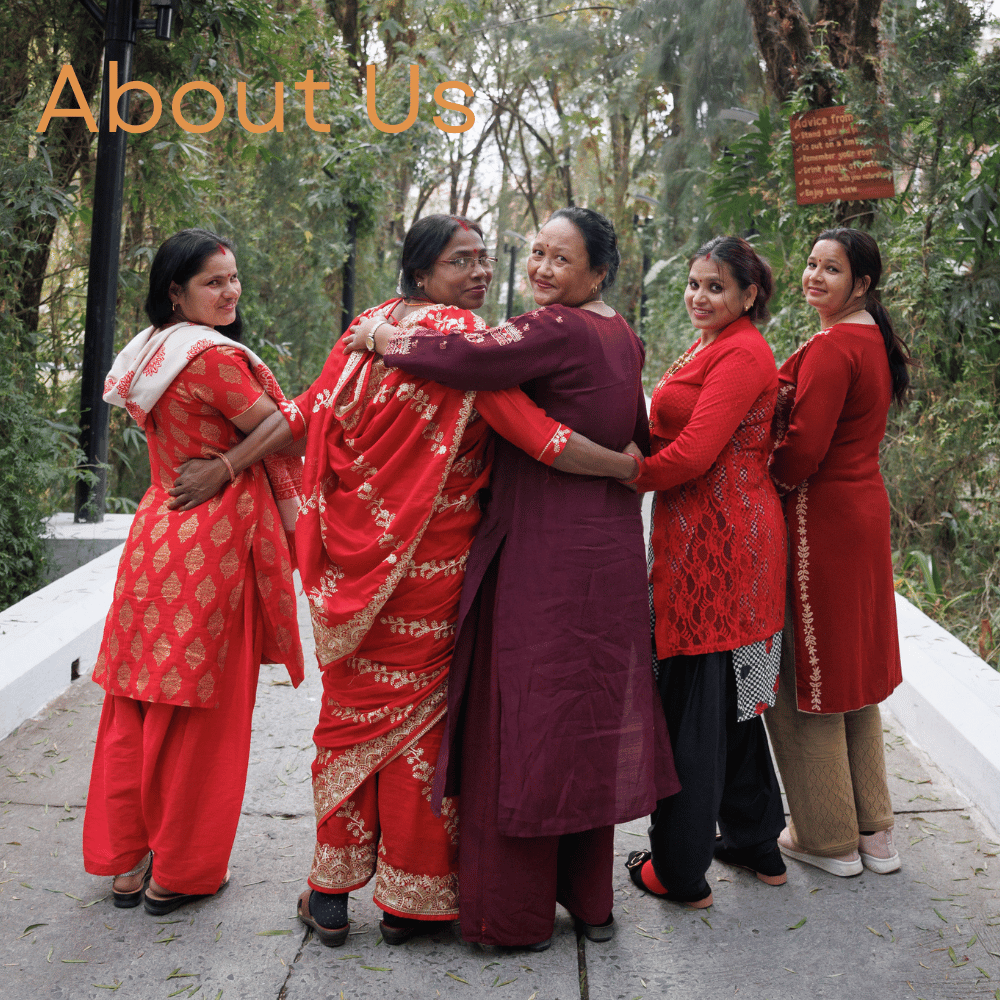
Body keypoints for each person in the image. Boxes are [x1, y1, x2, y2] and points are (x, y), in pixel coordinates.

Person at [168, 213, 642, 947]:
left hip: (343, 570)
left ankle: (329, 889)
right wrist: (627, 467)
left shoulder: (368, 328)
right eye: (462, 261)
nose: (481, 273)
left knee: (349, 724)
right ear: (423, 273)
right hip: (432, 573)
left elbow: (300, 414)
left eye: (485, 259)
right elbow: (538, 437)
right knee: (421, 728)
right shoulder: (461, 350)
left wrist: (229, 465)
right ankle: (409, 900)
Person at [350, 207, 678, 950]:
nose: (541, 270)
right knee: (589, 723)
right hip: (609, 552)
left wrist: (377, 334)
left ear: (598, 272)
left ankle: (515, 913)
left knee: (523, 723)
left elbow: (459, 358)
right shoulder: (623, 334)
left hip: (543, 553)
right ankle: (591, 902)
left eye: (561, 259)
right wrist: (622, 466)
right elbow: (639, 434)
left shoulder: (550, 330)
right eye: (535, 253)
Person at [82, 228, 305, 916]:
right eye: (213, 281)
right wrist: (230, 466)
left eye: (233, 278)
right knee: (204, 716)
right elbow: (284, 425)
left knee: (137, 702)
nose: (230, 291)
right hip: (214, 538)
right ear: (174, 293)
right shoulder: (210, 358)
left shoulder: (148, 351)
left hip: (156, 534)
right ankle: (179, 871)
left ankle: (129, 865)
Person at [619, 236, 788, 907]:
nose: (699, 296)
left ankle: (680, 871)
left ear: (750, 295)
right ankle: (755, 842)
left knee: (696, 703)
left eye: (715, 287)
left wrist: (620, 475)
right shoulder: (714, 344)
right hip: (721, 537)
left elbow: (692, 455)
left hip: (720, 547)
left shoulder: (743, 352)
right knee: (735, 703)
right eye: (694, 283)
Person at [765, 228, 910, 877]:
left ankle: (826, 837)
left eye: (833, 268)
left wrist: (762, 480)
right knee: (853, 670)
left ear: (863, 283)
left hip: (819, 518)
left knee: (809, 672)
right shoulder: (874, 338)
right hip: (862, 513)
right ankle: (875, 833)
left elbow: (802, 452)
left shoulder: (831, 348)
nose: (815, 276)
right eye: (812, 263)